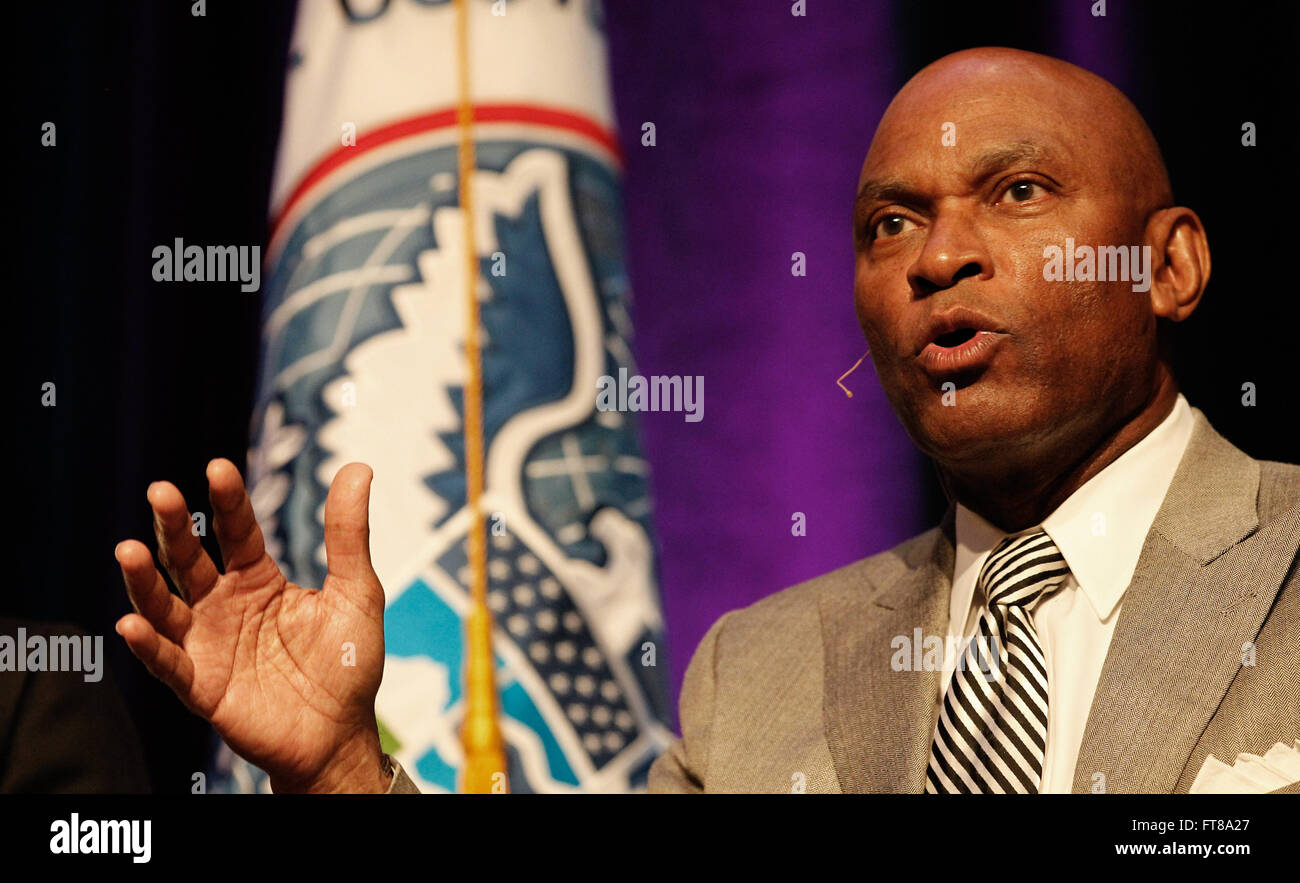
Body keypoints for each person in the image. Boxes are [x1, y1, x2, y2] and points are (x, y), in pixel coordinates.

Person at [114, 47, 1298, 795]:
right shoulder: (757, 669)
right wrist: (343, 771)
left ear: (1168, 265)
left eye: (1019, 193)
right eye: (890, 224)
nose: (939, 256)